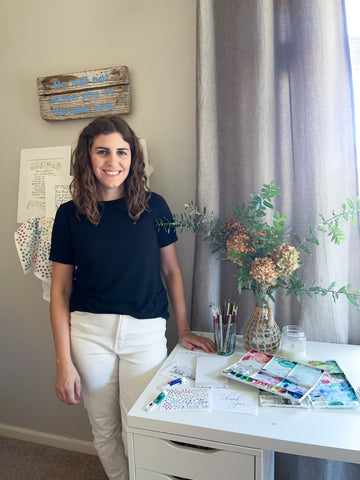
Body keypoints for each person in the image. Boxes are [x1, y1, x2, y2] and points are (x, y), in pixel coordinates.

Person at [49, 115, 215, 480]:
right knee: (104, 429)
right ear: (87, 157)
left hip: (145, 332)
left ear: (133, 157)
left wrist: (183, 329)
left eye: (122, 152)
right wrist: (64, 361)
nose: (113, 161)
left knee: (141, 423)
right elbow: (59, 291)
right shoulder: (68, 215)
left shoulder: (156, 206)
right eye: (103, 151)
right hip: (88, 333)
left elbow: (171, 272)